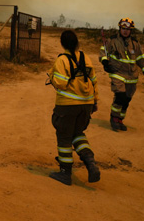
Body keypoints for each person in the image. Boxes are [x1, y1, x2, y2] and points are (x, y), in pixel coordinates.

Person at [47, 30, 101, 186]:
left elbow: (60, 83)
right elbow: (94, 81)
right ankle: (90, 162)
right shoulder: (86, 58)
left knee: (64, 136)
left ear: (62, 43)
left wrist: (51, 76)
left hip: (68, 105)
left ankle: (65, 173)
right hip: (86, 104)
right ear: (77, 42)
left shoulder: (62, 60)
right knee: (77, 133)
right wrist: (95, 101)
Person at [99, 17, 144, 132]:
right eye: (123, 28)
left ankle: (120, 119)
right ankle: (113, 118)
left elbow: (140, 59)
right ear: (120, 28)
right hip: (117, 73)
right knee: (120, 96)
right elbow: (103, 52)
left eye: (128, 29)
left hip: (132, 76)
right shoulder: (112, 40)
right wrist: (104, 61)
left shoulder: (135, 44)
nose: (125, 31)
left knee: (127, 100)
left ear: (131, 30)